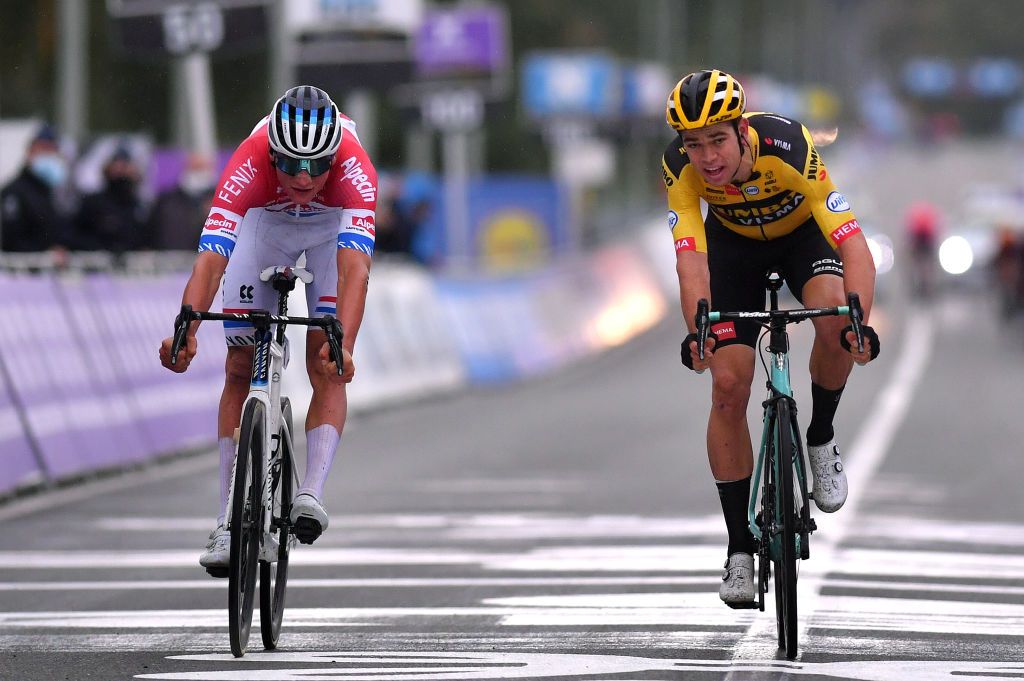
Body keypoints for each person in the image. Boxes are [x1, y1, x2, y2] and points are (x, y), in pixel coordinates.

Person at [662, 70, 880, 606]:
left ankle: (820, 436)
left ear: (742, 131)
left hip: (803, 239)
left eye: (717, 140)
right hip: (733, 251)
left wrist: (860, 325)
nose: (707, 157)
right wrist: (700, 334)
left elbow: (852, 244)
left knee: (833, 323)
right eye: (694, 144)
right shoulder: (679, 171)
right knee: (728, 388)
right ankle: (739, 548)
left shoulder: (789, 145)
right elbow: (691, 258)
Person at [157, 85, 377, 572]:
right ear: (272, 153)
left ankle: (310, 495)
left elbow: (353, 271)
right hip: (264, 229)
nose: (303, 176)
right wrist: (187, 324)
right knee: (239, 367)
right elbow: (213, 256)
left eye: (317, 165)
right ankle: (224, 519)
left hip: (329, 232)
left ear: (333, 158)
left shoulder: (356, 169)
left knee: (328, 363)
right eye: (291, 165)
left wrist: (346, 341)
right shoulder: (250, 159)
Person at [0, 123, 72, 255]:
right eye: (43, 148)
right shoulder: (13, 193)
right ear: (29, 152)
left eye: (52, 149)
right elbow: (10, 241)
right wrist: (46, 253)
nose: (48, 154)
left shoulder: (53, 193)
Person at [74, 146, 147, 255]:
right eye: (118, 167)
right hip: (97, 266)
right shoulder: (93, 202)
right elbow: (75, 234)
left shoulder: (138, 205)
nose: (122, 171)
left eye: (125, 167)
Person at [146, 152, 217, 250]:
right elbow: (151, 233)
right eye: (194, 168)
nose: (198, 174)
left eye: (201, 169)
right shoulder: (166, 201)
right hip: (170, 260)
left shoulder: (220, 204)